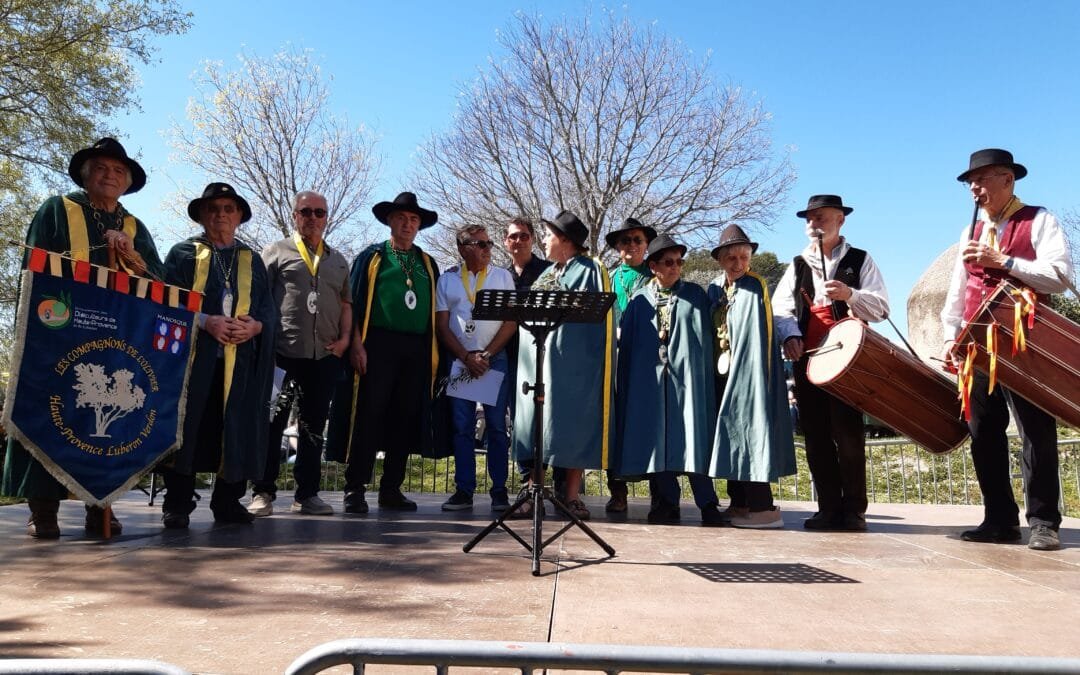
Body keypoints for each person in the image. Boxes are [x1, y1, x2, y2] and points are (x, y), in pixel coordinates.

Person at [2, 137, 165, 539]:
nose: (110, 176)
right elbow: (33, 269)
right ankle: (43, 509)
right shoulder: (57, 210)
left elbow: (159, 285)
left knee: (106, 417)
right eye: (102, 168)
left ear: (127, 182)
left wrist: (132, 256)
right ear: (86, 174)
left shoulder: (135, 228)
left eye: (118, 171)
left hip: (114, 342)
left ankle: (100, 507)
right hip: (57, 333)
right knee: (48, 413)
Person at [941, 149, 1074, 551]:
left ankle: (1044, 521)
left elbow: (1059, 277)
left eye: (981, 180)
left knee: (1036, 432)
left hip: (1023, 344)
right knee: (983, 432)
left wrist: (1005, 260)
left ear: (1007, 179)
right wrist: (950, 335)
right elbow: (958, 289)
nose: (974, 190)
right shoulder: (970, 231)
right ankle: (999, 518)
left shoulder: (1040, 220)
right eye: (970, 183)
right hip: (978, 347)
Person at [160, 183, 276, 528]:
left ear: (239, 216)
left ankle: (227, 501)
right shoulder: (183, 254)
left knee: (236, 427)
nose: (221, 215)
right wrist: (204, 321)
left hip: (239, 363)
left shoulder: (251, 259)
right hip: (193, 362)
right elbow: (165, 302)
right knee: (188, 427)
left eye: (228, 209)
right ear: (202, 215)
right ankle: (178, 502)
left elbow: (268, 310)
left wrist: (254, 327)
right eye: (213, 209)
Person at [773, 195, 889, 531]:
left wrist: (851, 295)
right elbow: (782, 308)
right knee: (816, 436)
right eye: (809, 219)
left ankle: (853, 510)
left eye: (820, 218)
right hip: (809, 361)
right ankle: (827, 507)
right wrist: (790, 335)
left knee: (849, 435)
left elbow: (881, 309)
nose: (813, 224)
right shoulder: (797, 265)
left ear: (840, 220)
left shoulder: (860, 260)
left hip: (849, 362)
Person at [325, 192, 441, 514]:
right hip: (377, 345)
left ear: (419, 225)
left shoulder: (427, 263)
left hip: (416, 348)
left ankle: (391, 488)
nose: (407, 224)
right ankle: (355, 488)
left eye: (413, 219)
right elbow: (356, 302)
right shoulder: (373, 257)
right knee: (369, 415)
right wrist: (357, 344)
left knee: (404, 418)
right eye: (401, 218)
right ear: (390, 220)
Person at [247, 191, 351, 518]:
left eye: (319, 212)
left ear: (326, 217)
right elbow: (258, 298)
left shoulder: (338, 260)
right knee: (272, 423)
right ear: (295, 215)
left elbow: (347, 304)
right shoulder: (275, 252)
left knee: (312, 427)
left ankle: (307, 495)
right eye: (306, 211)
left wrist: (346, 339)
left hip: (323, 358)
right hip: (284, 356)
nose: (313, 217)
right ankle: (263, 492)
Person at [613, 233, 724, 526]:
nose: (675, 267)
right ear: (653, 266)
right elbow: (629, 349)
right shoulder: (639, 301)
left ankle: (708, 504)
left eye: (679, 262)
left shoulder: (694, 295)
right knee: (656, 439)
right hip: (650, 384)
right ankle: (666, 503)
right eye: (668, 262)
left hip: (688, 383)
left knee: (692, 438)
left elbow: (705, 341)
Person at [513, 211, 615, 521]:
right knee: (537, 427)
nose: (543, 239)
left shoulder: (591, 269)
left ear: (566, 240)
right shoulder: (546, 275)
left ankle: (571, 497)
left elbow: (603, 318)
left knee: (574, 427)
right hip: (541, 366)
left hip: (576, 370)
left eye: (548, 235)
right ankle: (533, 492)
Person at [708, 225, 797, 529]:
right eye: (731, 257)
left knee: (750, 431)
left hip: (749, 376)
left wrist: (750, 374)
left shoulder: (755, 286)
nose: (738, 263)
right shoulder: (715, 288)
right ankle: (739, 502)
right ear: (720, 259)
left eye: (743, 256)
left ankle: (763, 507)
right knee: (731, 433)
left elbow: (758, 335)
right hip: (723, 373)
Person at [436, 225, 517, 512]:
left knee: (497, 427)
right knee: (462, 429)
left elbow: (511, 321)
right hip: (460, 361)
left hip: (495, 359)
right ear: (462, 248)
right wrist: (466, 356)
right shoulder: (447, 281)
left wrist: (486, 354)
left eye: (489, 244)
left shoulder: (503, 276)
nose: (486, 249)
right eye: (479, 244)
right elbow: (442, 326)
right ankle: (464, 491)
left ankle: (499, 492)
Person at [604, 217, 658, 513]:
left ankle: (659, 493)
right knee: (616, 425)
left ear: (646, 244)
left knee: (649, 423)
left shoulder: (655, 275)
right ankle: (618, 492)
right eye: (626, 241)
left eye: (637, 240)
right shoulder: (608, 278)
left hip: (647, 360)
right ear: (617, 247)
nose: (632, 246)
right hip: (615, 359)